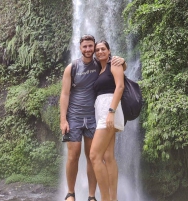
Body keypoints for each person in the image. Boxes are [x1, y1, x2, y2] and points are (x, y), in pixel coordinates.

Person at [60, 35, 125, 201]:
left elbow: (117, 72)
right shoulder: (72, 67)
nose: (89, 50)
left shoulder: (100, 64)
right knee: (73, 155)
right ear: (80, 48)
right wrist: (63, 119)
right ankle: (71, 193)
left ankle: (92, 196)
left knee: (92, 156)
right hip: (74, 116)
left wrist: (123, 62)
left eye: (92, 46)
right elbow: (65, 94)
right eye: (86, 47)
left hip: (94, 116)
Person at [90, 40, 125, 201]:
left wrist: (111, 111)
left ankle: (105, 198)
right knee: (108, 156)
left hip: (109, 110)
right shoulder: (100, 69)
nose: (99, 51)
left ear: (109, 51)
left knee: (94, 155)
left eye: (103, 49)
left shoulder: (115, 64)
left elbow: (120, 87)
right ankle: (113, 199)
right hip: (102, 112)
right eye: (97, 50)